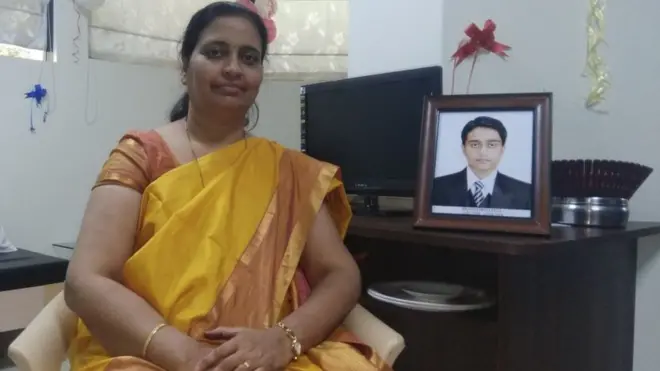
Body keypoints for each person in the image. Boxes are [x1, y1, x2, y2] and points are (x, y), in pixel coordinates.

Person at [64, 2, 390, 371]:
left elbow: (340, 273)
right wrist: (187, 355)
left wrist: (284, 339)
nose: (233, 68)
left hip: (261, 357)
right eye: (215, 52)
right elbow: (85, 280)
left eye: (249, 58)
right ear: (184, 67)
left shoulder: (288, 171)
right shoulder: (140, 155)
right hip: (148, 351)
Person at [431, 116, 531, 210]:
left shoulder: (525, 192)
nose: (483, 152)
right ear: (463, 148)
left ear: (502, 149)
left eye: (491, 145)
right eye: (475, 145)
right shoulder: (436, 187)